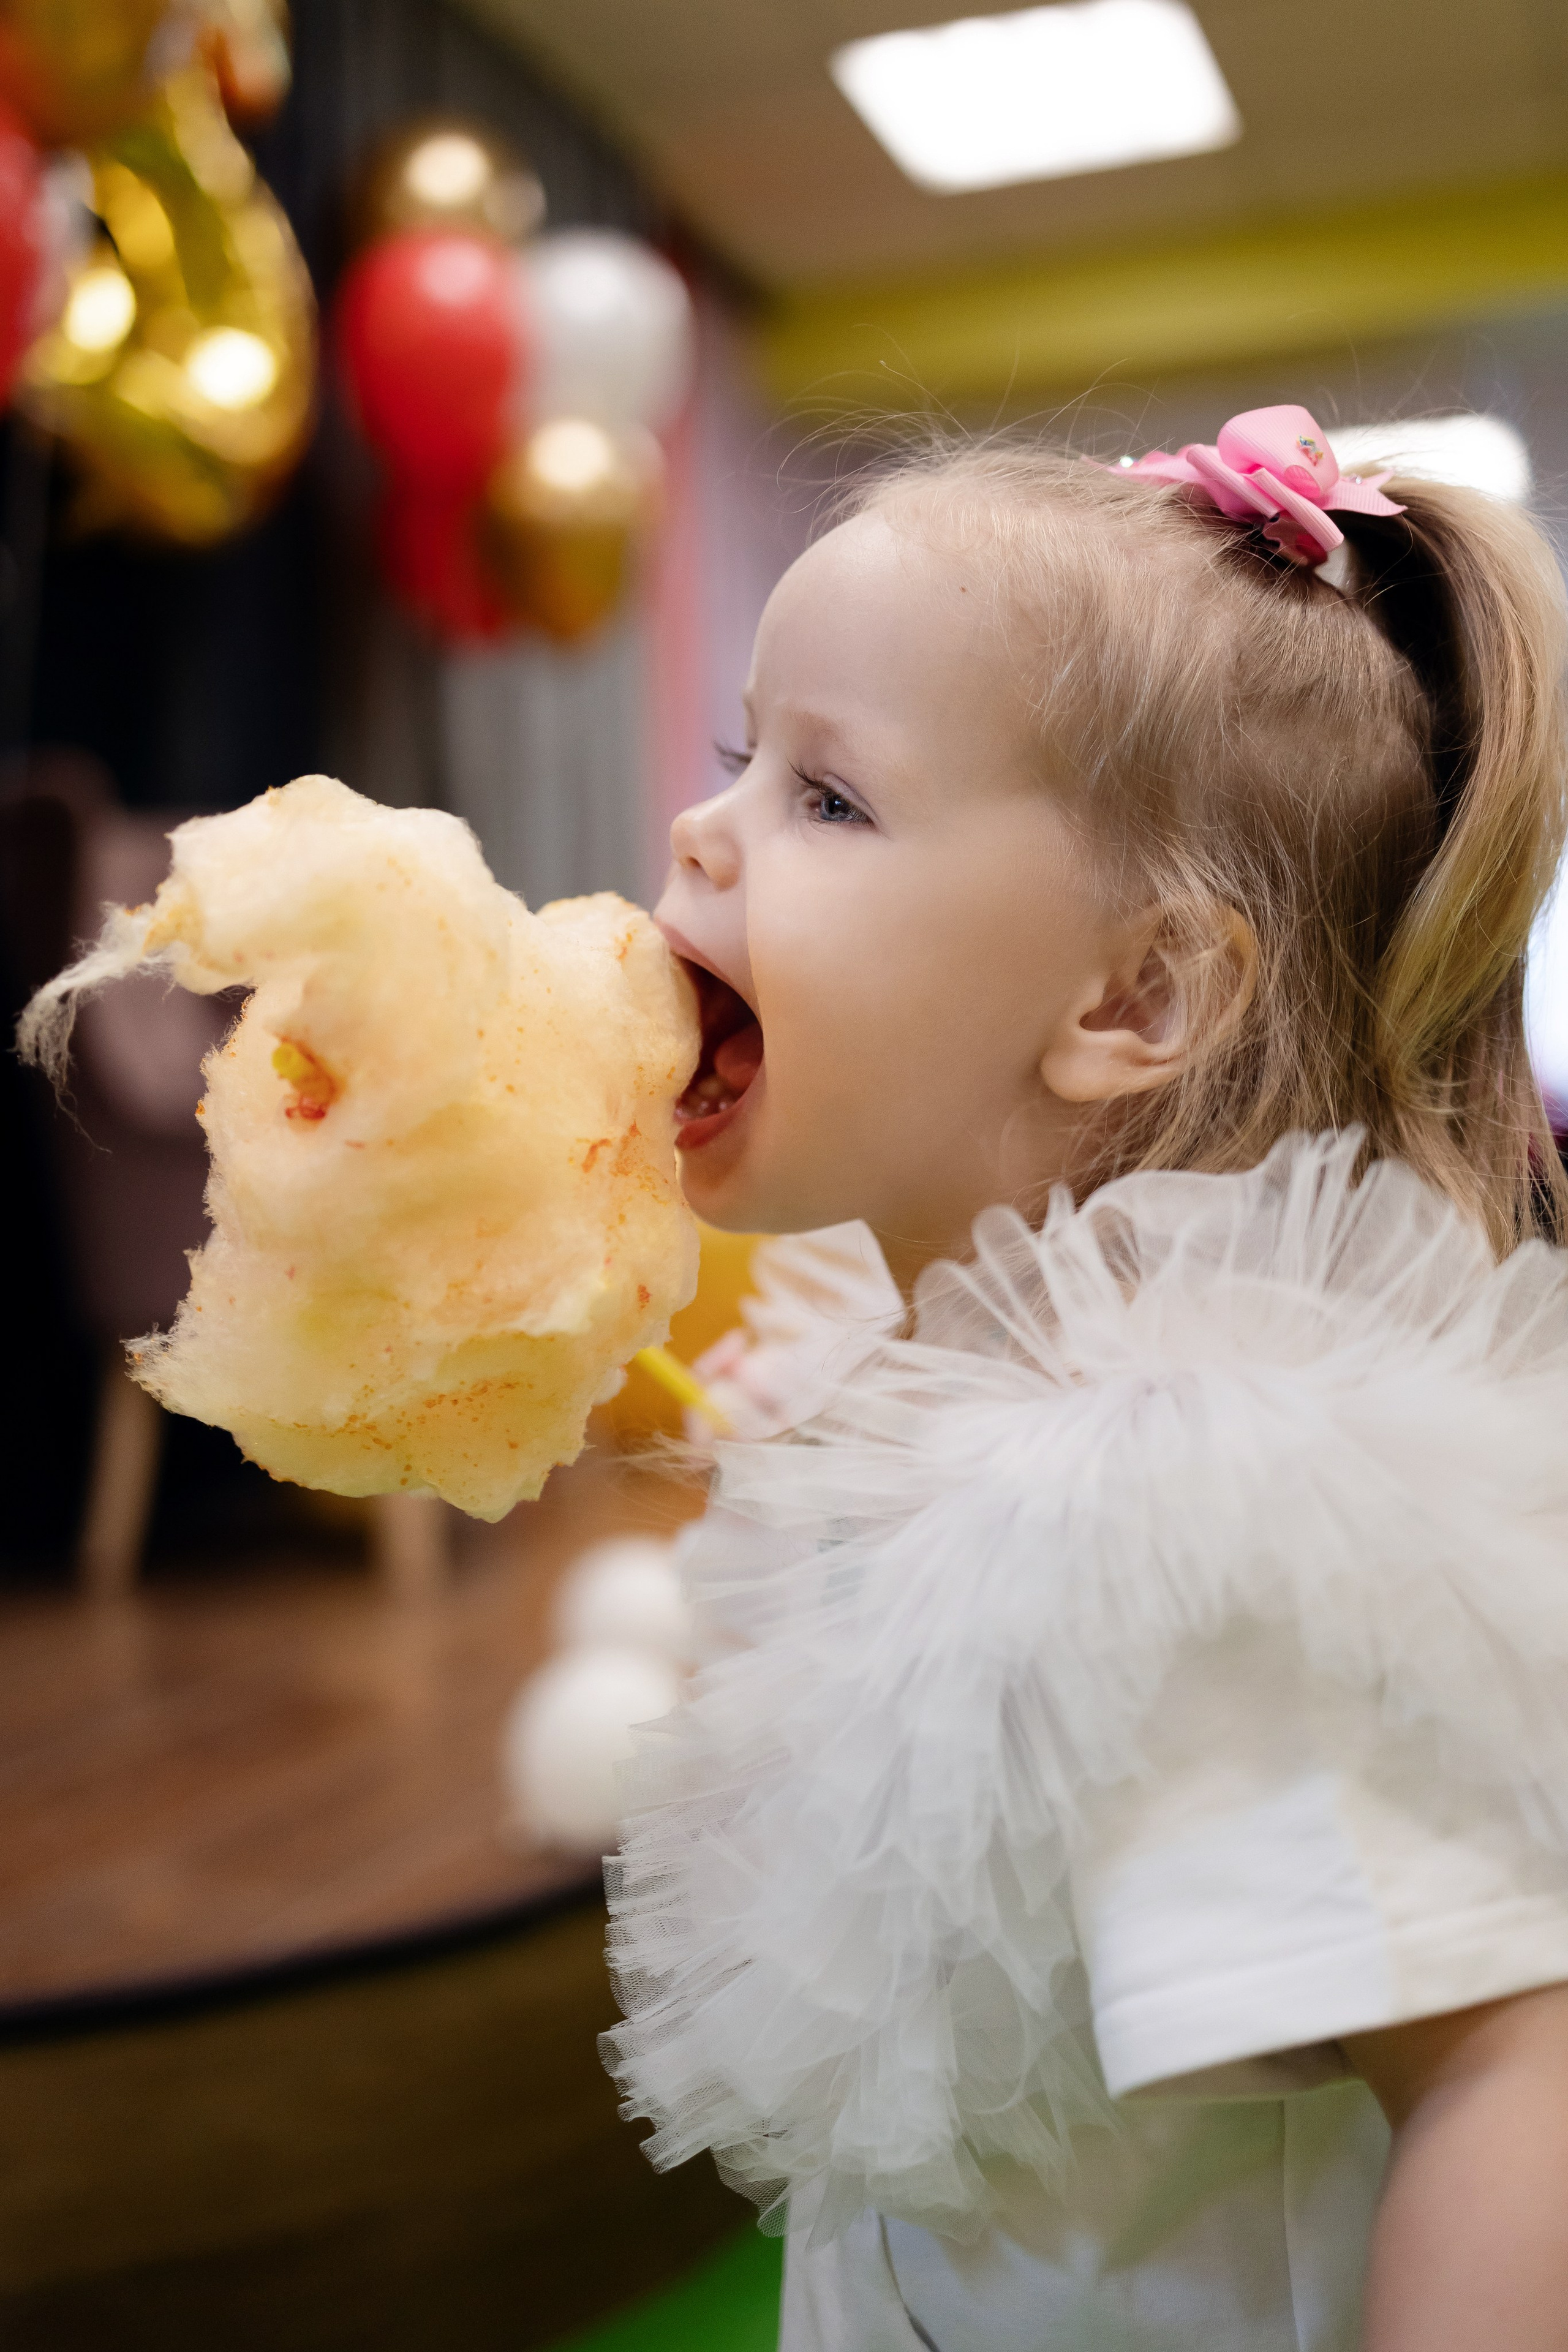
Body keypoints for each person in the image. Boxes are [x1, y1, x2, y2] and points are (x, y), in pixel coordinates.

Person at [603, 406, 1568, 2351]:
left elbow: (1509, 2065)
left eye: (831, 799)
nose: (704, 832)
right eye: (740, 760)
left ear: (1133, 1001)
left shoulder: (1189, 1506)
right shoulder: (933, 1399)